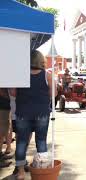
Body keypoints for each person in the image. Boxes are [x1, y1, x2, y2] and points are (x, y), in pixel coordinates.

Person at [13, 50, 57, 179]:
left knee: (21, 142)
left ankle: (21, 172)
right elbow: (53, 95)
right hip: (42, 112)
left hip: (22, 112)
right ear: (41, 60)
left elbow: (13, 93)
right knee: (41, 141)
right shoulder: (47, 75)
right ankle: (41, 171)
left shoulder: (20, 74)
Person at [0, 88, 13, 168]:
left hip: (5, 106)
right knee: (1, 132)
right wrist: (8, 97)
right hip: (2, 106)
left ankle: (1, 155)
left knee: (3, 132)